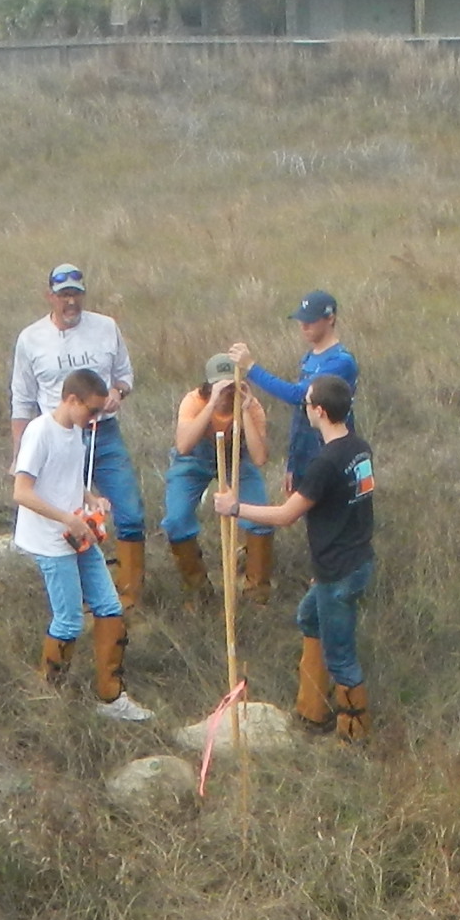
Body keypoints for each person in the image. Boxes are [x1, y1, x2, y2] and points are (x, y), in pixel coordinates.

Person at [234, 374, 377, 742]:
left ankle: (353, 735)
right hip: (356, 560)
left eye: (308, 402)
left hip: (339, 572)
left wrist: (234, 508)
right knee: (308, 617)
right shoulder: (359, 448)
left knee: (342, 657)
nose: (304, 407)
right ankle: (313, 708)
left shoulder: (326, 464)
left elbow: (285, 516)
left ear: (319, 411)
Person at [8, 366, 149, 720]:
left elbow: (68, 480)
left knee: (110, 607)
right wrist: (66, 518)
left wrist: (91, 501)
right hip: (52, 541)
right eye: (91, 410)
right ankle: (48, 696)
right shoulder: (40, 433)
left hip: (79, 535)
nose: (95, 419)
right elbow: (22, 491)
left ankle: (111, 697)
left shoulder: (76, 432)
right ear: (71, 400)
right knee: (69, 621)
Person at [8, 265, 148, 606]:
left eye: (76, 294)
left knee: (129, 513)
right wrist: (19, 453)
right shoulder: (31, 339)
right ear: (50, 297)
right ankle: (76, 596)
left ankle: (127, 600)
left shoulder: (106, 327)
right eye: (63, 295)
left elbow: (125, 375)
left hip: (104, 433)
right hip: (56, 438)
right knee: (66, 520)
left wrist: (118, 391)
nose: (71, 302)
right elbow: (22, 400)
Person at [221, 291, 352, 604]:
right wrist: (293, 464)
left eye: (311, 321)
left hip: (331, 455)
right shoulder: (309, 358)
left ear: (330, 319)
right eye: (301, 321)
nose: (304, 327)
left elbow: (299, 397)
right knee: (313, 521)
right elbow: (300, 417)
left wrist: (253, 368)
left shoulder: (341, 362)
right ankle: (320, 580)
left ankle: (333, 584)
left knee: (332, 521)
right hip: (308, 453)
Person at [158, 360, 268, 605]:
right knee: (176, 520)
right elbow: (184, 446)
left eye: (232, 385)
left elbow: (260, 458)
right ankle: (198, 590)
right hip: (194, 457)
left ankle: (256, 591)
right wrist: (211, 405)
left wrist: (246, 411)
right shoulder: (193, 401)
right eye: (221, 386)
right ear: (209, 384)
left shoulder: (252, 405)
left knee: (261, 517)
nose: (228, 392)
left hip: (235, 457)